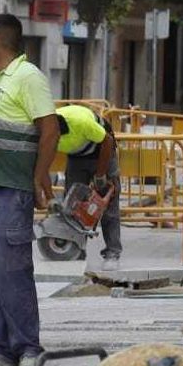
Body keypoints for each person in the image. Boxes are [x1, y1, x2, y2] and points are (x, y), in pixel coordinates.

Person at [0, 14, 57, 366]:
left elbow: (49, 131)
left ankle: (28, 348)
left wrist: (37, 178)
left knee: (12, 269)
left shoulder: (28, 77)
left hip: (12, 189)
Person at [55, 103, 120, 270]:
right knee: (72, 201)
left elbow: (107, 141)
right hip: (77, 156)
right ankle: (76, 250)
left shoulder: (81, 123)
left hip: (103, 149)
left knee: (108, 204)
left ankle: (112, 252)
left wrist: (100, 175)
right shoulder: (45, 130)